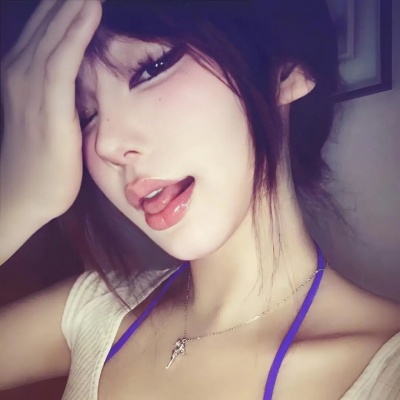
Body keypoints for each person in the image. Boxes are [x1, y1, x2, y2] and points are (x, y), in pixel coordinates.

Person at [0, 0, 399, 399]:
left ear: (286, 69)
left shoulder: (383, 372)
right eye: (86, 114)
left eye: (151, 68)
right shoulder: (96, 312)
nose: (107, 144)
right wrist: (17, 208)